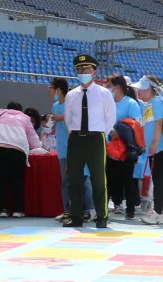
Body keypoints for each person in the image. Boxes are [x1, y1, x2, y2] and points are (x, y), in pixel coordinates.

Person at [64, 54, 116, 228]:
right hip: (76, 138)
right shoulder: (72, 95)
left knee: (98, 179)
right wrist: (76, 133)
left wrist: (100, 134)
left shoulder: (104, 94)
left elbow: (110, 119)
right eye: (79, 69)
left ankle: (102, 216)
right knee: (74, 179)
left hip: (95, 138)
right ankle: (76, 216)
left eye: (86, 69)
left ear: (94, 71)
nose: (82, 72)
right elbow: (68, 118)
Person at [0, 102, 45, 218]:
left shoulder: (0, 113)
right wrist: (38, 146)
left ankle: (3, 210)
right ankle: (18, 210)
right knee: (17, 181)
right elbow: (33, 138)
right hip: (18, 149)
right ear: (20, 110)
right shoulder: (25, 118)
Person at [49, 78, 92, 224]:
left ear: (59, 90)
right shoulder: (55, 106)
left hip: (74, 147)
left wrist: (63, 117)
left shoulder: (71, 103)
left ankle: (86, 210)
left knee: (82, 180)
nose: (49, 90)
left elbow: (76, 123)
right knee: (65, 181)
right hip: (61, 148)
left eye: (51, 88)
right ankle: (67, 210)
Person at [105, 76, 143, 219]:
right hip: (109, 147)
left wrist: (120, 131)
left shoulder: (131, 103)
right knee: (109, 177)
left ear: (117, 87)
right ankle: (110, 206)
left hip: (125, 149)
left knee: (127, 179)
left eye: (109, 85)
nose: (108, 88)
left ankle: (130, 209)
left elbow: (136, 124)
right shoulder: (109, 103)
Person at [135, 75, 163, 225]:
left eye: (141, 89)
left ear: (149, 89)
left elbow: (159, 124)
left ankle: (158, 212)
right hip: (155, 149)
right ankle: (158, 210)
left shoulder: (156, 102)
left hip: (159, 148)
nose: (138, 93)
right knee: (157, 180)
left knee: (159, 181)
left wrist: (154, 143)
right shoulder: (150, 104)